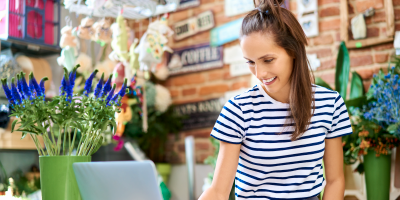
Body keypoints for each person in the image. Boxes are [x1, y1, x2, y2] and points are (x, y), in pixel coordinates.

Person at [198, 0, 352, 199]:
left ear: (293, 51)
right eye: (250, 62)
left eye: (268, 60)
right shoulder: (238, 110)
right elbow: (218, 191)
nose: (259, 73)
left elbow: (335, 181)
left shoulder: (329, 104)